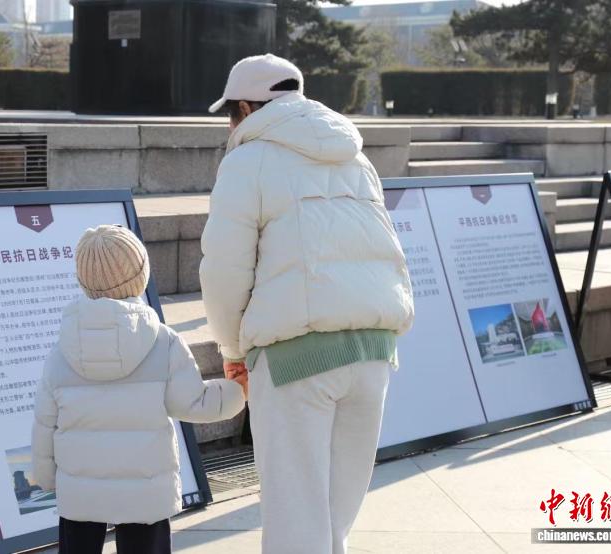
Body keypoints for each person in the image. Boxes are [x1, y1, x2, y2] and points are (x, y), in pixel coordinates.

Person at [200, 54, 414, 554]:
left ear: (246, 108)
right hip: (374, 349)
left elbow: (225, 269)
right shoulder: (355, 157)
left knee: (297, 518)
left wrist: (232, 350)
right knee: (335, 520)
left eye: (230, 113)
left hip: (296, 358)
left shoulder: (246, 162)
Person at [31, 225, 246, 554]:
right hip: (146, 490)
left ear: (83, 280)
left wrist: (47, 477)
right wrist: (238, 391)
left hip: (80, 489)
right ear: (140, 277)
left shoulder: (62, 349)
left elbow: (45, 421)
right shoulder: (163, 341)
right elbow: (195, 403)